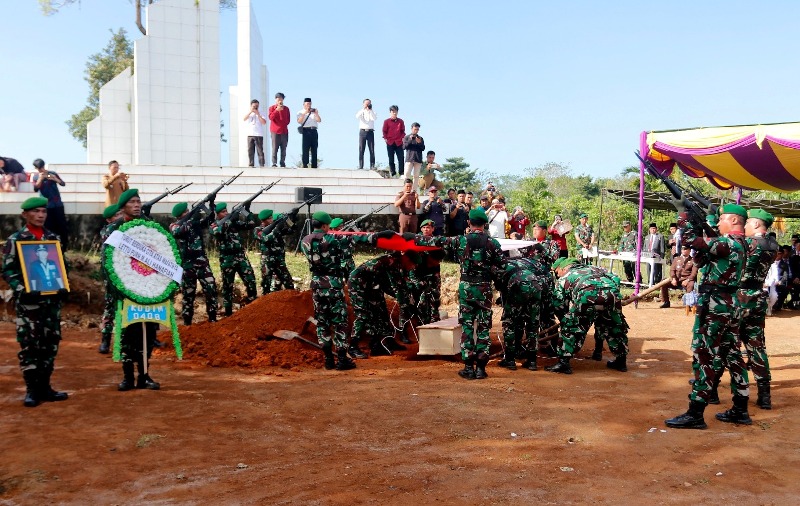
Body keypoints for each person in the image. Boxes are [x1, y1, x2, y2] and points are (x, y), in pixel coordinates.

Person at [664, 204, 750, 430]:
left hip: (715, 306)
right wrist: (704, 223)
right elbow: (704, 258)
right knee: (733, 356)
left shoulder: (727, 242)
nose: (718, 223)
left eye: (722, 219)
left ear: (733, 221)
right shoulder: (742, 244)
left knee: (704, 355)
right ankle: (741, 409)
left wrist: (685, 216)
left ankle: (696, 413)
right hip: (729, 305)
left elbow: (692, 240)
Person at [412, 208, 505, 380]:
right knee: (484, 327)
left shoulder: (461, 240)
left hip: (466, 289)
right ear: (485, 224)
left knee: (467, 326)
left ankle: (468, 367)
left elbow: (436, 241)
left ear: (469, 223)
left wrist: (408, 237)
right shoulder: (493, 244)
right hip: (484, 289)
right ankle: (481, 369)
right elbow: (501, 268)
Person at [2, 197, 70, 407]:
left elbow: (62, 266)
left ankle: (45, 387)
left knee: (50, 342)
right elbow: (8, 270)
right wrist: (22, 289)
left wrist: (63, 286)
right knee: (30, 343)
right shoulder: (16, 240)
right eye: (36, 211)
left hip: (51, 302)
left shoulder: (53, 238)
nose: (41, 215)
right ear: (25, 214)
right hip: (30, 302)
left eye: (44, 211)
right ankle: (32, 389)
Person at [300, 211, 389, 370]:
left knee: (322, 323)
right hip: (333, 285)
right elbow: (359, 238)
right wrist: (380, 235)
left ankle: (328, 359)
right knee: (339, 322)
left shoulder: (305, 241)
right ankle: (342, 359)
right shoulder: (334, 239)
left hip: (316, 285)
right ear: (326, 225)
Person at [106, 189, 161, 391]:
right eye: (132, 202)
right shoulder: (115, 230)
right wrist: (122, 287)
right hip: (126, 291)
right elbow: (109, 261)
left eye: (138, 201)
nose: (137, 205)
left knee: (147, 334)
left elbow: (160, 252)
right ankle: (128, 377)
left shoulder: (149, 228)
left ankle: (144, 376)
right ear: (123, 207)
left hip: (147, 290)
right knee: (127, 335)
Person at [546, 258, 629, 375]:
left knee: (570, 327)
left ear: (564, 268)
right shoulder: (596, 268)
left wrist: (565, 319)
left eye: (557, 272)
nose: (557, 275)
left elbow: (558, 303)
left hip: (588, 295)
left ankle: (564, 362)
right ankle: (621, 361)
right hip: (612, 294)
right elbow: (615, 278)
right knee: (615, 326)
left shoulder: (565, 277)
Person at [735, 209, 779, 410]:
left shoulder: (749, 244)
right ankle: (765, 395)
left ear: (755, 224)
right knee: (756, 346)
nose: (743, 227)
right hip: (758, 299)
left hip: (741, 299)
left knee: (727, 344)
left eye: (747, 223)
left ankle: (715, 390)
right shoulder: (771, 244)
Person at [348, 251, 417, 358]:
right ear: (407, 259)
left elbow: (397, 287)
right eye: (413, 264)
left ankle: (381, 343)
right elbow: (396, 288)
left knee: (382, 311)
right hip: (358, 284)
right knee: (363, 315)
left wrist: (408, 299)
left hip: (374, 284)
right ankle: (352, 347)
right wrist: (406, 304)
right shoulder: (391, 262)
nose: (413, 267)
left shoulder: (398, 263)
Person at [495, 254, 548, 372]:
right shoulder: (528, 262)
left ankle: (509, 360)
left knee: (509, 323)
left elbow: (499, 285)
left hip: (517, 286)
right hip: (535, 286)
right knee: (532, 325)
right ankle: (532, 361)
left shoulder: (502, 265)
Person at [170, 202, 218, 326]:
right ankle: (187, 322)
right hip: (187, 265)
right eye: (186, 212)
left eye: (188, 211)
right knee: (188, 294)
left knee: (211, 288)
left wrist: (211, 205)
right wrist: (192, 217)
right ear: (180, 215)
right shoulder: (174, 225)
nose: (188, 213)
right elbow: (178, 232)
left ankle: (213, 318)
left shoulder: (195, 223)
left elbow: (210, 220)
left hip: (201, 261)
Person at [210, 202, 258, 316]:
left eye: (226, 211)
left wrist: (247, 210)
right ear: (217, 214)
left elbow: (251, 224)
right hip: (227, 259)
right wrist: (230, 220)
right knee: (228, 286)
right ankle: (228, 313)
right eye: (223, 212)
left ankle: (253, 307)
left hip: (240, 256)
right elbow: (218, 232)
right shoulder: (214, 225)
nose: (226, 213)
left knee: (250, 280)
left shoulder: (234, 223)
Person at [409, 220, 446, 325]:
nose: (426, 229)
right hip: (419, 273)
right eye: (424, 227)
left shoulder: (437, 241)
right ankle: (420, 320)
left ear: (433, 229)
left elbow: (441, 255)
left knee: (435, 297)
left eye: (429, 228)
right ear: (421, 229)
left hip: (433, 273)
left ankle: (434, 318)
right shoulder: (415, 240)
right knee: (419, 298)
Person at [253, 210, 295, 295]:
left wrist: (292, 218)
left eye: (271, 217)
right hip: (267, 261)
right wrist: (277, 227)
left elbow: (291, 230)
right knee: (266, 286)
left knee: (289, 283)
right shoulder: (258, 230)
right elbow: (267, 239)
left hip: (279, 260)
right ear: (263, 221)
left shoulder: (276, 227)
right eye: (269, 218)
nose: (271, 220)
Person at [31, 159, 69, 250]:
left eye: (42, 167)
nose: (41, 170)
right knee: (48, 226)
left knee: (61, 225)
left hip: (57, 204)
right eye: (39, 168)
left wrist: (54, 179)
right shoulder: (36, 176)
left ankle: (64, 245)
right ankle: (50, 245)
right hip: (46, 206)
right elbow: (35, 189)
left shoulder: (52, 173)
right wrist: (40, 178)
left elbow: (63, 183)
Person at [98, 204, 121, 354]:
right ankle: (105, 340)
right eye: (117, 215)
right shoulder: (107, 230)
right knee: (110, 308)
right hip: (112, 277)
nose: (120, 217)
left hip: (129, 275)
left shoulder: (128, 227)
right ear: (109, 219)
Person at [669, 245, 698, 312]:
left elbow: (694, 273)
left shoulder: (693, 260)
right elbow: (672, 270)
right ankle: (666, 302)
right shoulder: (676, 259)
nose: (683, 250)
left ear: (689, 250)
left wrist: (687, 280)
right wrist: (673, 278)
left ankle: (688, 305)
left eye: (685, 249)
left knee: (691, 284)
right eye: (682, 249)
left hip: (687, 279)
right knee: (664, 283)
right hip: (677, 280)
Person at [643, 222, 666, 305]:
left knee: (656, 270)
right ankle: (650, 282)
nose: (653, 230)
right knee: (648, 269)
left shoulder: (660, 237)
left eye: (654, 228)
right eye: (651, 228)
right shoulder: (647, 237)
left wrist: (662, 257)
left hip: (657, 256)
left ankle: (656, 283)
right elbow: (645, 247)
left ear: (656, 229)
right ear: (649, 230)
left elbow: (662, 248)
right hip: (648, 256)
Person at [297, 98, 321, 168]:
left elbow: (319, 120)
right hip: (306, 131)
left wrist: (316, 113)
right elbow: (299, 121)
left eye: (310, 104)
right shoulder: (300, 112)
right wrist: (304, 113)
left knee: (314, 148)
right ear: (303, 104)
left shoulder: (313, 112)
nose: (308, 105)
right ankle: (305, 164)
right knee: (305, 148)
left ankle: (314, 164)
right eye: (307, 104)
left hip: (314, 130)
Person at [268, 93, 290, 167]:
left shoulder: (286, 109)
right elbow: (271, 117)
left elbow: (287, 120)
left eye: (281, 98)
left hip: (284, 131)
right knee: (275, 147)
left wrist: (282, 111)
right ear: (275, 99)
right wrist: (277, 110)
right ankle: (274, 163)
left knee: (284, 148)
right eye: (278, 98)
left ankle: (282, 162)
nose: (279, 100)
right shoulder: (272, 108)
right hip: (275, 131)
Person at [382, 105, 405, 177]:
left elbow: (403, 131)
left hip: (399, 142)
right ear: (390, 112)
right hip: (390, 142)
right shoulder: (386, 121)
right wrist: (386, 139)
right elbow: (384, 131)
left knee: (401, 158)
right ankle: (393, 173)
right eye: (393, 111)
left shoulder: (401, 121)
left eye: (396, 111)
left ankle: (401, 173)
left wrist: (402, 138)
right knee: (391, 159)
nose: (394, 113)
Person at [243, 99, 267, 167]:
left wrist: (258, 114)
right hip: (250, 134)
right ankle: (251, 164)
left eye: (257, 106)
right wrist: (251, 112)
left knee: (260, 151)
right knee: (250, 151)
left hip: (258, 134)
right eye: (254, 106)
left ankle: (262, 164)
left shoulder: (261, 113)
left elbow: (264, 122)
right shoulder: (249, 113)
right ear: (251, 106)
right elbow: (244, 119)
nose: (255, 107)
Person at [402, 122, 425, 192]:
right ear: (412, 129)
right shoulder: (406, 137)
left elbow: (423, 148)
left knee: (416, 176)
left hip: (418, 159)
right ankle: (405, 189)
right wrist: (410, 140)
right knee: (407, 174)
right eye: (415, 129)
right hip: (409, 158)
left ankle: (414, 190)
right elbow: (404, 147)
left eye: (417, 129)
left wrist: (419, 143)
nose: (416, 131)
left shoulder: (420, 138)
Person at [356, 98, 377, 170]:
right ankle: (361, 165)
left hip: (370, 132)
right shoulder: (361, 111)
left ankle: (372, 165)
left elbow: (374, 118)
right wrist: (363, 109)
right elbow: (357, 116)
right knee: (361, 149)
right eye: (366, 103)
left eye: (369, 103)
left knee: (371, 149)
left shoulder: (373, 112)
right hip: (362, 131)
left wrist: (370, 110)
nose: (368, 105)